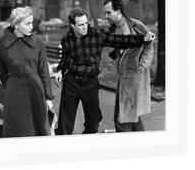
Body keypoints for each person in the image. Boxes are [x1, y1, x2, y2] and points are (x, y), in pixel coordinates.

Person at [55, 7, 155, 135]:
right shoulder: (66, 39)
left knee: (93, 123)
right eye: (80, 25)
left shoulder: (97, 35)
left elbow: (120, 40)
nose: (85, 27)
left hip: (90, 83)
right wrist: (60, 70)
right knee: (65, 126)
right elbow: (65, 57)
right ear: (72, 25)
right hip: (71, 83)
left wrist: (142, 39)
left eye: (86, 23)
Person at [0, 6, 54, 137]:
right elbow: (2, 72)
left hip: (37, 91)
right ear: (16, 25)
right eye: (27, 23)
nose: (32, 26)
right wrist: (13, 86)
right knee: (17, 131)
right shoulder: (2, 44)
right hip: (15, 95)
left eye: (32, 22)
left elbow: (44, 71)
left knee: (40, 130)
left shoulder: (38, 43)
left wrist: (48, 97)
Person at [103, 0, 154, 132]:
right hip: (123, 78)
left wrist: (142, 66)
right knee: (131, 115)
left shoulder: (137, 26)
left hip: (135, 77)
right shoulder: (113, 30)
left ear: (118, 11)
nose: (105, 16)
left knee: (123, 119)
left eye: (108, 13)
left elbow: (149, 44)